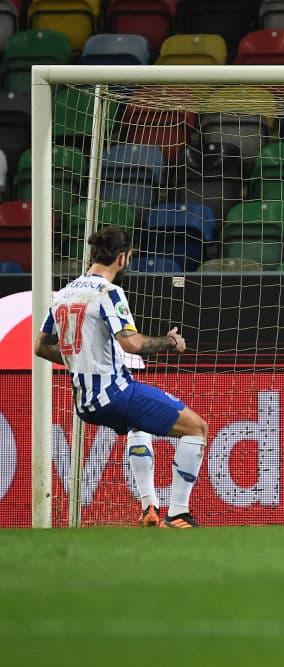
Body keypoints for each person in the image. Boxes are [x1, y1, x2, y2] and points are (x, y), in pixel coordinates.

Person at [34, 225, 209, 529]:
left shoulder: (63, 294)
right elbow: (132, 344)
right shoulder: (108, 292)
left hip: (85, 401)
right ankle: (178, 513)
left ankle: (149, 509)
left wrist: (80, 360)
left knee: (138, 425)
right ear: (122, 258)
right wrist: (170, 341)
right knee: (196, 428)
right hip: (114, 393)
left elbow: (40, 346)